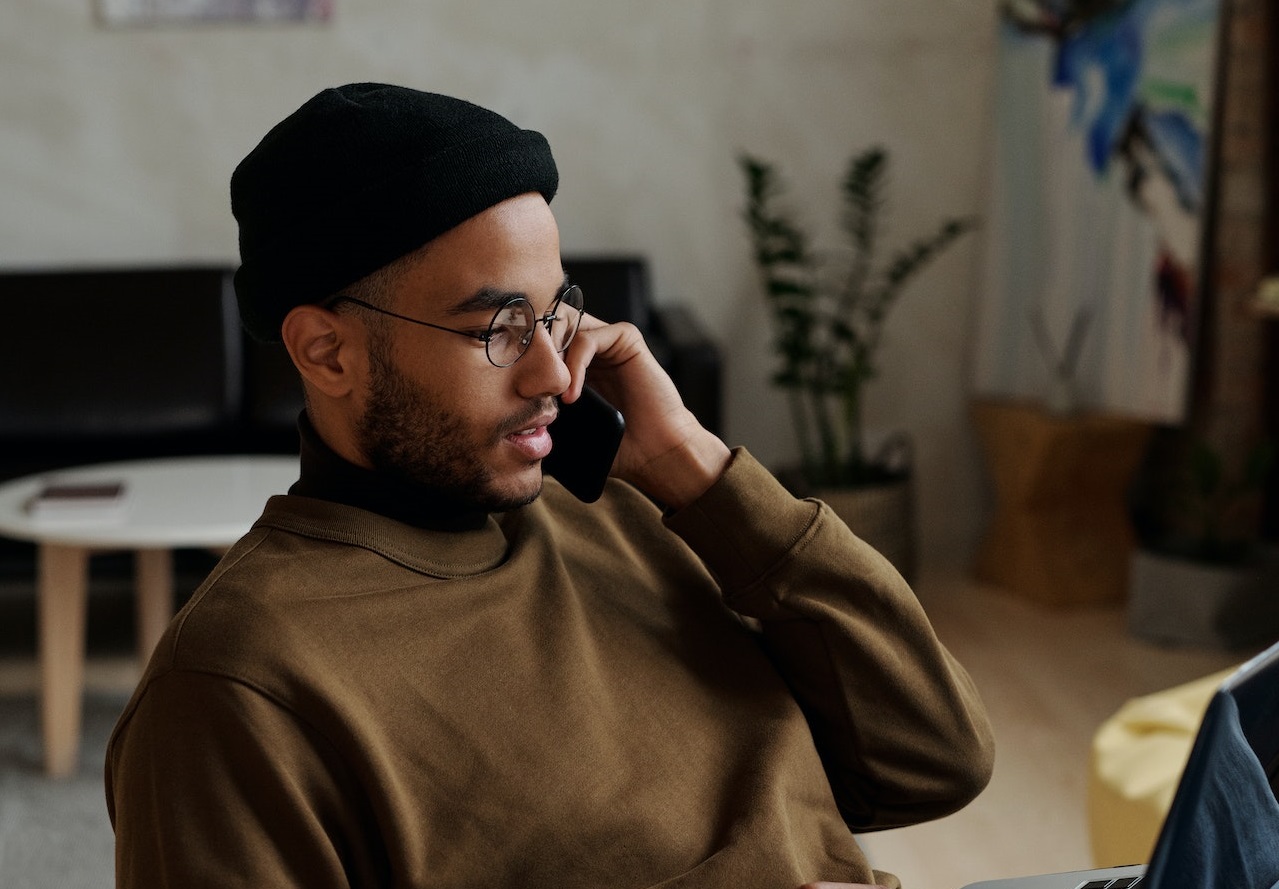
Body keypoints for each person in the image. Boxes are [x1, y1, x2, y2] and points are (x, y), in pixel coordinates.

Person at [105, 83, 995, 889]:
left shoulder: (643, 509)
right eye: (497, 326)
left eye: (556, 312)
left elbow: (935, 758)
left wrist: (698, 471)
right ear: (325, 350)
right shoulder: (235, 686)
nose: (555, 374)